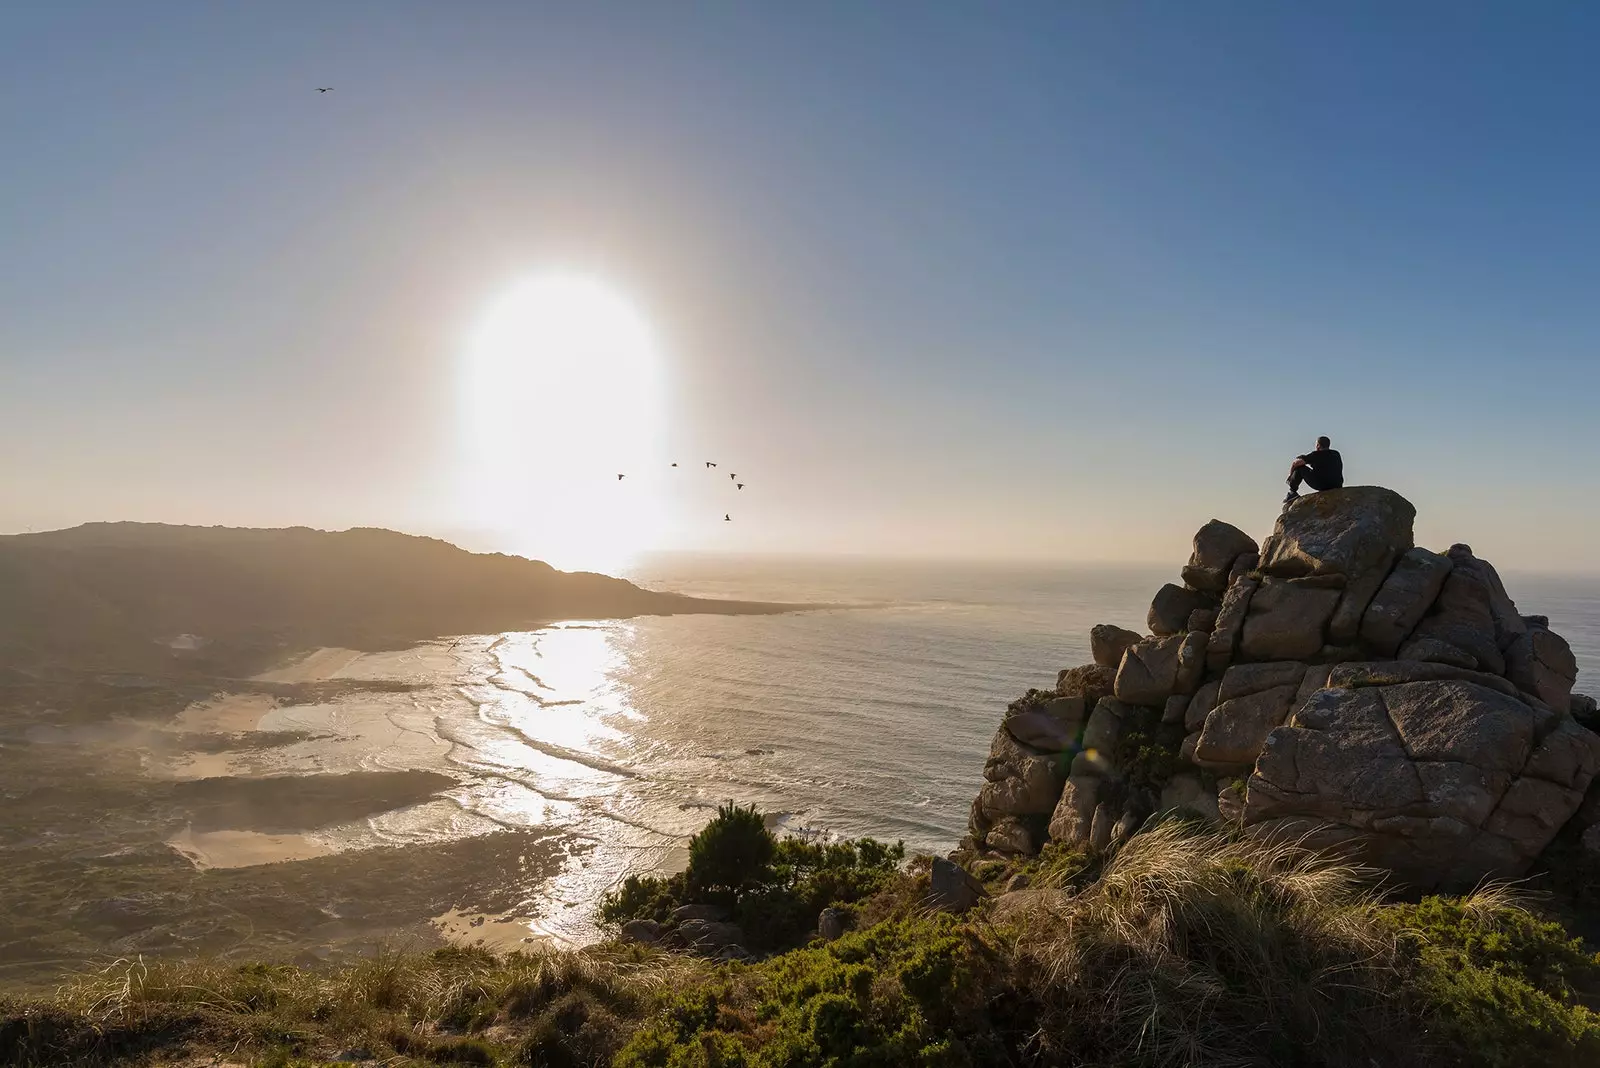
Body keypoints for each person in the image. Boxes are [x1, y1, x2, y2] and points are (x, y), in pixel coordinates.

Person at [1284, 436, 1343, 505]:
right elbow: (1325, 463)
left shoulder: (1315, 455)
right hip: (1337, 484)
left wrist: (1290, 476)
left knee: (1300, 468)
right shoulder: (1336, 454)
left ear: (1318, 445)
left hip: (1322, 485)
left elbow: (1295, 464)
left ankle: (1292, 492)